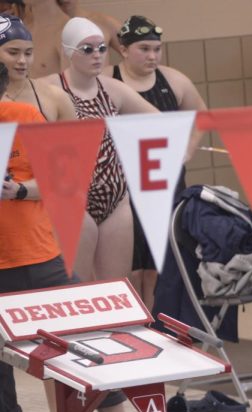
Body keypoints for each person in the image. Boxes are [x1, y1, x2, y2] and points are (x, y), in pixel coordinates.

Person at [0, 59, 149, 412]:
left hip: (42, 255)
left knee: (85, 340)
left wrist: (21, 190)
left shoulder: (25, 117)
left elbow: (63, 179)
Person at [55, 17, 159, 282]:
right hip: (74, 198)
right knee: (77, 289)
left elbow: (161, 122)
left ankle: (114, 327)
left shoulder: (112, 89)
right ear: (68, 51)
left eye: (102, 48)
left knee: (116, 289)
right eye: (87, 49)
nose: (97, 55)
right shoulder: (51, 90)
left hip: (116, 198)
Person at [111, 15, 206, 303]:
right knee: (130, 266)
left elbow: (202, 115)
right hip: (123, 190)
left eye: (157, 48)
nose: (152, 56)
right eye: (144, 49)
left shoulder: (174, 80)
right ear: (124, 49)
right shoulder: (107, 80)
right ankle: (135, 323)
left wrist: (188, 150)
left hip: (165, 187)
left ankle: (157, 326)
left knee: (159, 265)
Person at [0, 9, 74, 122]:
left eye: (28, 53)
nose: (22, 60)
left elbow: (74, 139)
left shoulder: (56, 97)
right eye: (13, 52)